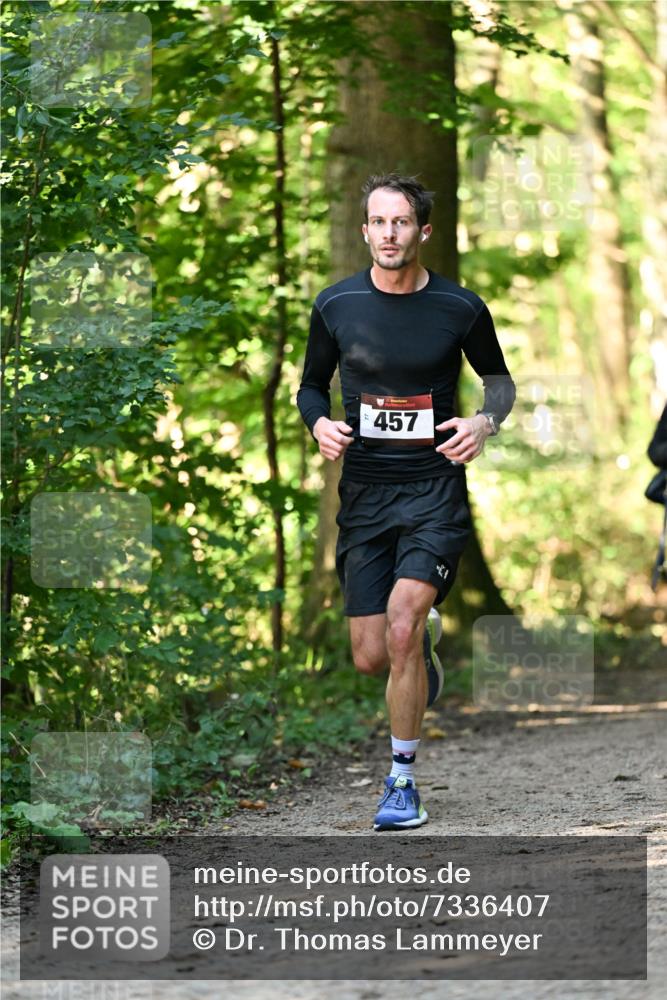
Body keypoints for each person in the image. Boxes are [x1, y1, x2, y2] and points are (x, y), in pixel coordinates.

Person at [296, 173, 516, 831]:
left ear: (423, 230)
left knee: (400, 625)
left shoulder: (459, 307)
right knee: (371, 654)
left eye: (401, 222)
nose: (389, 234)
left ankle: (401, 782)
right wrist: (319, 423)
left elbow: (499, 382)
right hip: (364, 493)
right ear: (364, 230)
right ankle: (425, 645)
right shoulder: (336, 305)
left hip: (433, 491)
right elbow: (311, 386)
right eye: (378, 222)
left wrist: (483, 423)